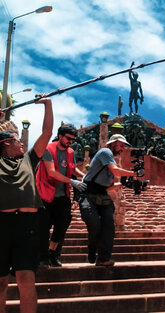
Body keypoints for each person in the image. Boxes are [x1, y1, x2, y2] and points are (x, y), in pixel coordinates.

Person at [0, 95, 53, 313]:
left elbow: (47, 133)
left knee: (26, 279)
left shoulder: (28, 160)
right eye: (16, 140)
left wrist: (48, 104)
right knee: (1, 282)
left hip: (28, 226)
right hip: (1, 225)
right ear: (4, 143)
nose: (22, 143)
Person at [78, 134, 138, 266]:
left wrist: (123, 185)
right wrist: (134, 173)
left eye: (124, 146)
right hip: (88, 194)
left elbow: (109, 187)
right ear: (113, 143)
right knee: (94, 224)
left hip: (103, 196)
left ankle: (104, 258)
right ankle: (92, 248)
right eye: (121, 145)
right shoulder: (105, 152)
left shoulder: (110, 163)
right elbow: (116, 171)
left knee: (108, 227)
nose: (123, 149)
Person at [36, 124, 87, 267]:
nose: (71, 142)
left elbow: (72, 168)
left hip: (62, 195)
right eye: (68, 138)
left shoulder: (71, 152)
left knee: (62, 225)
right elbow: (51, 172)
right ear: (60, 136)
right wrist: (72, 181)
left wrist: (82, 175)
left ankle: (53, 253)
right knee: (44, 227)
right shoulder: (47, 148)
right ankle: (43, 258)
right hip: (45, 194)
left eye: (73, 139)